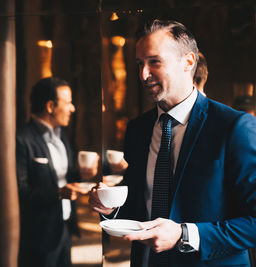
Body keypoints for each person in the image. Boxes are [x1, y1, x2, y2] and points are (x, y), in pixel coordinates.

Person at [90, 19, 256, 267]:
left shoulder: (233, 127)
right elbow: (140, 207)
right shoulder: (138, 130)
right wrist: (110, 209)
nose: (143, 74)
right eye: (139, 64)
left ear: (188, 62)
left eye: (154, 62)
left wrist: (184, 234)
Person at [16, 77, 98, 267]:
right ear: (51, 106)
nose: (73, 108)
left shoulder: (62, 138)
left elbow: (65, 179)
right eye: (68, 102)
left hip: (65, 228)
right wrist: (60, 192)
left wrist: (82, 176)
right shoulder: (22, 140)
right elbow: (20, 192)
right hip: (38, 236)